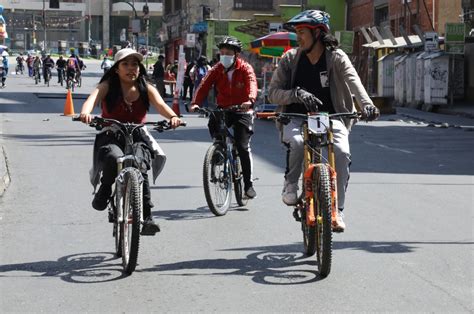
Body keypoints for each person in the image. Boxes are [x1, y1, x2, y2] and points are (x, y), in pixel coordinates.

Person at [268, 10, 380, 232]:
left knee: (340, 151)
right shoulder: (290, 59)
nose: (298, 37)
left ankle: (337, 210)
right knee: (298, 143)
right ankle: (290, 184)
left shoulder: (337, 57)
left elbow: (354, 82)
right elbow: (273, 93)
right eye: (297, 33)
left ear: (318, 33)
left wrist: (367, 105)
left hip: (332, 116)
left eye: (302, 32)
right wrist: (296, 94)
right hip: (297, 117)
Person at [78, 48, 183, 235]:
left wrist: (174, 117)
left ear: (140, 68)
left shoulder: (146, 87)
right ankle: (105, 190)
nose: (130, 68)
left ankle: (147, 217)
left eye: (134, 64)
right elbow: (92, 100)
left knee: (140, 166)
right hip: (111, 133)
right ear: (117, 68)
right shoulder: (108, 85)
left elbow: (160, 105)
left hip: (137, 135)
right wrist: (85, 113)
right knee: (113, 158)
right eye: (125, 64)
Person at [190, 36, 258, 199]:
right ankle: (219, 148)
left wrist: (249, 100)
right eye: (222, 52)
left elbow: (252, 84)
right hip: (224, 109)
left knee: (242, 146)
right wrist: (195, 103)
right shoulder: (216, 69)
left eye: (228, 52)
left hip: (243, 110)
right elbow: (203, 86)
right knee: (213, 122)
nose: (224, 55)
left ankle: (248, 185)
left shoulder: (245, 68)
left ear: (236, 54)